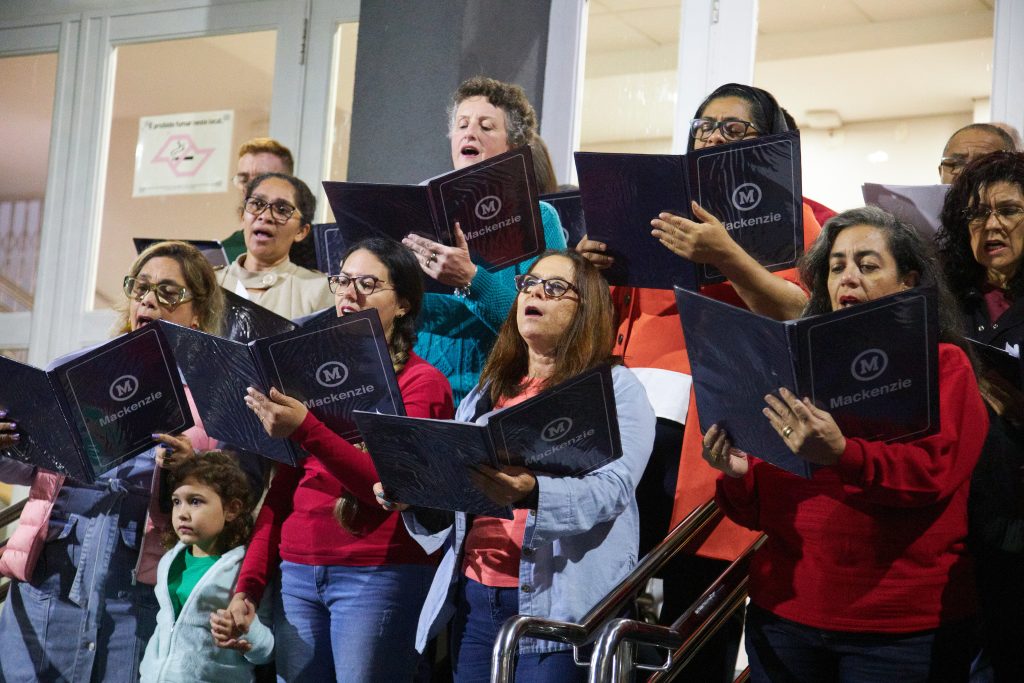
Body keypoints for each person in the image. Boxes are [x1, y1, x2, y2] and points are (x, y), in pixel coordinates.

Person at [576, 82, 822, 682]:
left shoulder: (796, 215)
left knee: (693, 616)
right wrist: (595, 270)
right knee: (609, 604)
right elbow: (611, 326)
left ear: (771, 146)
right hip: (630, 427)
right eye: (703, 125)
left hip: (714, 434)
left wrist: (729, 253)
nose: (711, 135)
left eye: (733, 129)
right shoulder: (655, 208)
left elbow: (803, 314)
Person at [703, 206, 987, 682]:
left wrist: (843, 454)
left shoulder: (944, 363)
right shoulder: (791, 366)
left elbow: (931, 476)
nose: (847, 278)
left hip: (898, 630)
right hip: (786, 616)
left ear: (909, 281)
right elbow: (759, 512)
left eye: (867, 265)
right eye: (836, 267)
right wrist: (737, 475)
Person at [384, 250, 656, 683]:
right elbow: (461, 492)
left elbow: (614, 489)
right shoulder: (489, 389)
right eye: (529, 284)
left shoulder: (616, 388)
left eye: (554, 288)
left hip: (558, 606)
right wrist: (414, 491)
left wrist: (532, 492)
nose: (535, 293)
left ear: (586, 307)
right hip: (475, 596)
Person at [222, 237, 453, 682]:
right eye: (343, 280)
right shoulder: (307, 375)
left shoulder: (423, 383)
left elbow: (387, 485)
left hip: (379, 573)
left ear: (403, 303)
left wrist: (307, 426)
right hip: (298, 570)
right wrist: (248, 585)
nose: (350, 292)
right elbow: (281, 493)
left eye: (368, 283)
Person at [0, 241, 226, 682]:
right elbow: (25, 471)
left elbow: (226, 501)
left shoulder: (209, 399)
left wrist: (192, 470)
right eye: (140, 288)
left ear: (196, 313)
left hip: (138, 580)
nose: (149, 300)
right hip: (52, 572)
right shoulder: (70, 370)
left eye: (168, 292)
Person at [401, 76, 567, 404]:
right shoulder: (417, 211)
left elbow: (551, 321)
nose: (469, 132)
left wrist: (471, 280)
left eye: (487, 126)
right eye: (462, 124)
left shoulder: (538, 216)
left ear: (514, 146)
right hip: (418, 395)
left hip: (495, 398)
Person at [936, 151, 1024, 681]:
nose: (991, 224)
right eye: (975, 213)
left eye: (1009, 209)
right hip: (954, 526)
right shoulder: (950, 302)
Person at [140, 451, 273, 682]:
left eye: (195, 501)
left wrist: (247, 630)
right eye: (176, 502)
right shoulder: (169, 562)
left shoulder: (244, 571)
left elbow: (267, 651)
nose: (182, 513)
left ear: (232, 509)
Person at [217, 173, 334, 319]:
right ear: (242, 216)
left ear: (301, 231)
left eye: (282, 209)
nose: (265, 216)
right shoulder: (208, 283)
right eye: (257, 204)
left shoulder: (318, 289)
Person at [223, 137, 295, 263]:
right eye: (244, 180)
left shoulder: (313, 251)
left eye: (261, 179)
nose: (249, 188)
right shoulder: (222, 253)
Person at [939, 123, 1016, 185]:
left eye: (983, 164)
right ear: (940, 172)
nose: (966, 172)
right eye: (956, 163)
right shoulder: (927, 203)